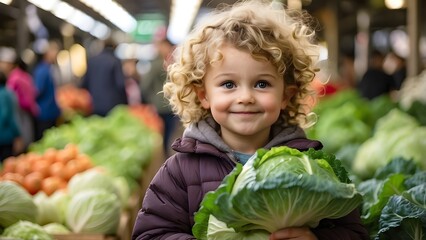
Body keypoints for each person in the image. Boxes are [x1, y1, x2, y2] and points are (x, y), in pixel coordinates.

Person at [131, 1, 369, 240]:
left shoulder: (311, 167)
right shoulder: (180, 171)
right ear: (204, 95)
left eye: (262, 84)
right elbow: (150, 234)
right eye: (228, 84)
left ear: (286, 95)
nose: (245, 97)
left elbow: (355, 233)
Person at [140, 37, 178, 156]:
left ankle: (165, 153)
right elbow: (145, 85)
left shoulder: (170, 63)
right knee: (164, 132)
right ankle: (165, 155)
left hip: (170, 106)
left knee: (167, 132)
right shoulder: (158, 64)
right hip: (162, 106)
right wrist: (151, 101)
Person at [0, 47, 39, 151]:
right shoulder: (24, 76)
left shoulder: (14, 78)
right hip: (25, 115)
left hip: (20, 115)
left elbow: (8, 109)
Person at [81, 38, 128, 116]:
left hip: (94, 105)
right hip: (112, 107)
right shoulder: (115, 61)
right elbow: (120, 84)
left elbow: (84, 84)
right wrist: (125, 103)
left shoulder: (92, 61)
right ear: (115, 47)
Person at [32, 40, 62, 141]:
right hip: (44, 114)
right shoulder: (42, 71)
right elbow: (37, 91)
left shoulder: (49, 68)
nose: (56, 53)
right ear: (46, 53)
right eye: (53, 50)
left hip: (51, 112)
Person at [0, 70, 22, 162]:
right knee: (7, 165)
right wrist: (18, 135)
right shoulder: (6, 93)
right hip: (6, 136)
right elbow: (8, 116)